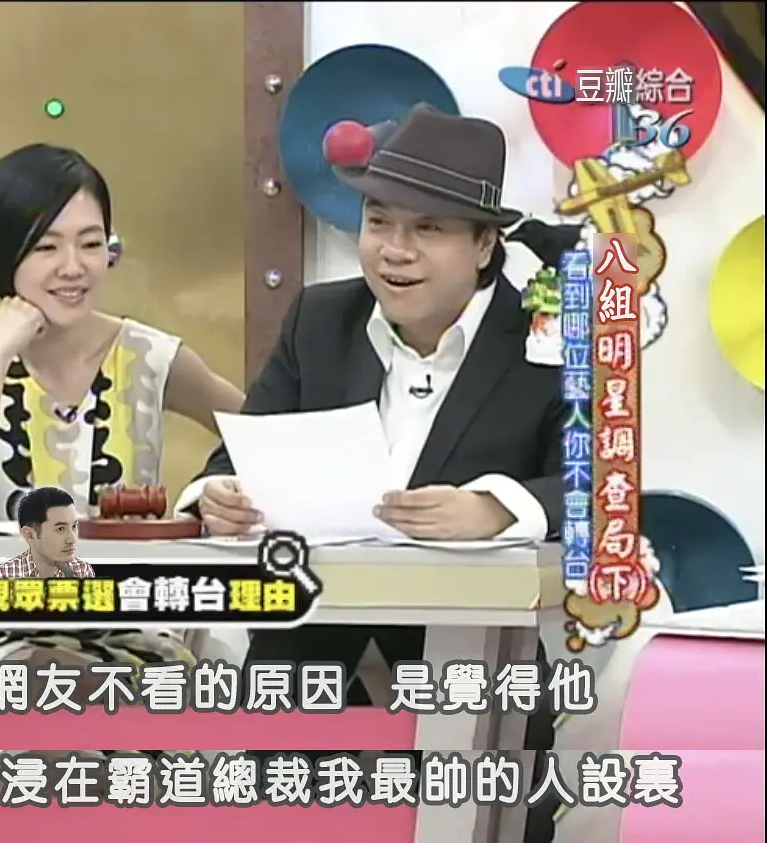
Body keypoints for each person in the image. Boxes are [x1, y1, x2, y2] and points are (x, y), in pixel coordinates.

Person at [177, 105, 560, 841]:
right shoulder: (320, 320)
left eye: (428, 229)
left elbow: (597, 489)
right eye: (379, 222)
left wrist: (496, 508)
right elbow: (238, 451)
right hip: (305, 670)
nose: (395, 251)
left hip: (472, 682)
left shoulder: (545, 339)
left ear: (484, 245)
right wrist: (214, 496)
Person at [0, 142, 243, 729]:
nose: (74, 267)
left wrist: (208, 495)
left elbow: (263, 438)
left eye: (92, 244)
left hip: (138, 643)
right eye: (47, 247)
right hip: (7, 647)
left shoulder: (152, 356)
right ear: (4, 255)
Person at [0, 486, 94, 579]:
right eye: (60, 529)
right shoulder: (6, 575)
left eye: (74, 526)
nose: (72, 539)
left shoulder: (82, 571)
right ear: (30, 535)